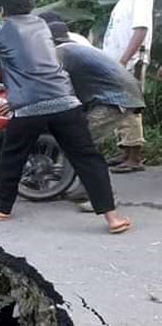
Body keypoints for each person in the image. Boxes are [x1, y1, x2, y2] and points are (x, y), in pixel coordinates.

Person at [0, 0, 130, 234]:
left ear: (2, 10)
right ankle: (112, 217)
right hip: (64, 100)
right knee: (87, 157)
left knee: (11, 157)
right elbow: (28, 57)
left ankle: (3, 210)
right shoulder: (41, 25)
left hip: (29, 107)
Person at [50, 22, 146, 212]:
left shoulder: (59, 53)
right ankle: (84, 188)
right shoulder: (73, 48)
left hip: (114, 99)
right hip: (119, 96)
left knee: (81, 144)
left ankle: (105, 196)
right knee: (83, 142)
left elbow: (58, 87)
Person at [101, 0, 153, 173]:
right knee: (119, 104)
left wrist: (123, 59)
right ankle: (125, 150)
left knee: (129, 106)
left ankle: (134, 156)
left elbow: (140, 30)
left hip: (129, 60)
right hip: (117, 61)